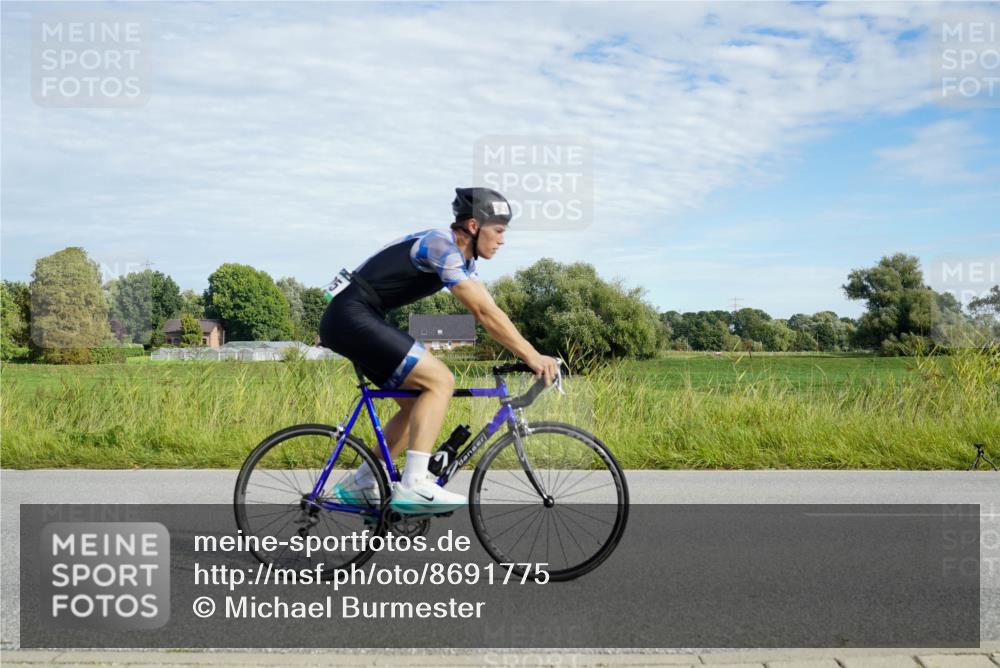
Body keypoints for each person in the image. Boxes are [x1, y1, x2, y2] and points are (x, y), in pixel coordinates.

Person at [319, 187, 560, 514]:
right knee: (440, 381)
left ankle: (362, 482)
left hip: (356, 316)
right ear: (474, 226)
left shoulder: (464, 260)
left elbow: (492, 309)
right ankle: (414, 484)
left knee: (417, 403)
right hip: (351, 315)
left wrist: (530, 352)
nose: (503, 240)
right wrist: (531, 356)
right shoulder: (441, 246)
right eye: (499, 230)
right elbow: (484, 314)